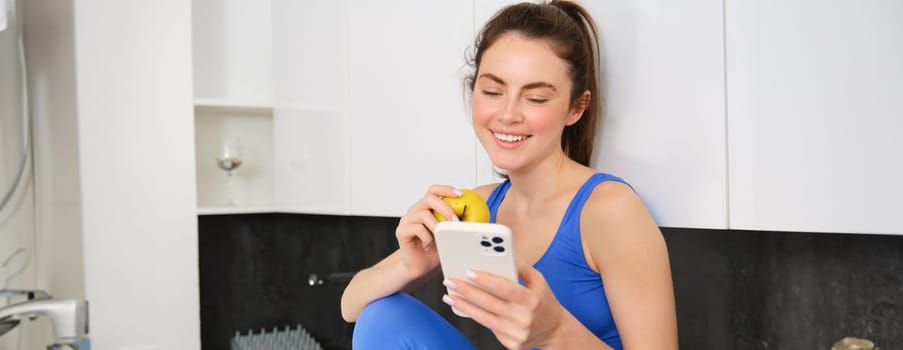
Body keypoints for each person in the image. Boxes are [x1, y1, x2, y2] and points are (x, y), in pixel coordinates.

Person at [340, 1, 678, 349]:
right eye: (493, 92)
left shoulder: (609, 211)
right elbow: (352, 306)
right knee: (385, 317)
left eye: (534, 98)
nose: (508, 114)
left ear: (576, 107)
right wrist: (412, 265)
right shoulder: (481, 208)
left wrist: (555, 331)